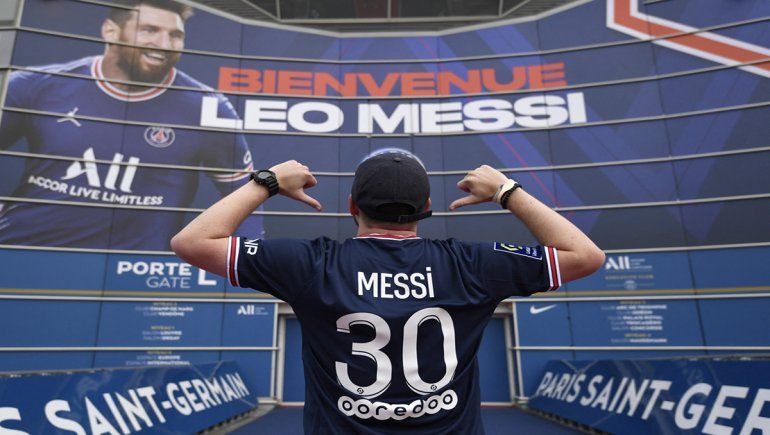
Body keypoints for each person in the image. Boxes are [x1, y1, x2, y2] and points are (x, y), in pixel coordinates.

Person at [171, 150, 605, 434]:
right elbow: (585, 255)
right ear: (428, 210)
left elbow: (191, 242)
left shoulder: (312, 263)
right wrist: (507, 192)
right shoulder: (471, 264)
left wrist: (265, 181)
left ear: (353, 207)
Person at [0, 0, 257, 251]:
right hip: (23, 256)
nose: (164, 44)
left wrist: (249, 268)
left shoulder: (209, 108)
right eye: (149, 30)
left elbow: (246, 193)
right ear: (110, 30)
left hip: (134, 276)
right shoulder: (34, 85)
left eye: (175, 35)